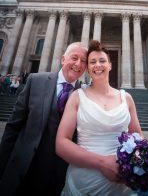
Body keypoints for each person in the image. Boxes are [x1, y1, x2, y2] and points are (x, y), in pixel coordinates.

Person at [56, 40, 143, 196]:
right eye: (92, 62)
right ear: (88, 68)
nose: (97, 65)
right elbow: (61, 143)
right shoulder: (76, 97)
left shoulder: (127, 98)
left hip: (121, 180)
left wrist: (137, 164)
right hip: (84, 179)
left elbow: (138, 139)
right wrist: (102, 163)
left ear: (110, 65)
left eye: (102, 61)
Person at [0, 42, 87, 196]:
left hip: (58, 176)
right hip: (23, 168)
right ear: (62, 59)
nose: (78, 64)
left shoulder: (86, 97)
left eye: (84, 61)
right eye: (74, 58)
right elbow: (13, 127)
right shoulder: (36, 80)